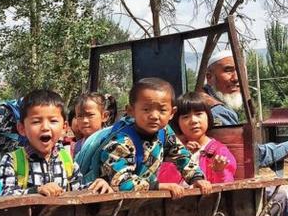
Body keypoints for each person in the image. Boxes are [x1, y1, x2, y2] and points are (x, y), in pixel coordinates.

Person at [79, 77, 212, 197]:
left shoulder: (164, 131)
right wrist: (159, 187)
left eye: (162, 110)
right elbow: (120, 182)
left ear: (172, 113)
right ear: (130, 111)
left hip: (141, 201)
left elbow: (182, 156)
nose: (154, 116)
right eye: (146, 109)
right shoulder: (121, 140)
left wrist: (197, 178)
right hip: (109, 206)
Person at [203, 50, 288, 175]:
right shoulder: (217, 111)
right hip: (222, 188)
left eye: (240, 71)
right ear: (209, 77)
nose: (236, 78)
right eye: (228, 70)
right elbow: (246, 156)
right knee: (283, 194)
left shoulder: (203, 101)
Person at [0, 89, 112, 197]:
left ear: (64, 127)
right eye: (36, 121)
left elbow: (77, 190)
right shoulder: (12, 161)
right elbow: (4, 193)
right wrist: (36, 191)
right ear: (22, 129)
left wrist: (96, 186)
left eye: (53, 121)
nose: (45, 127)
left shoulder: (67, 159)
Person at [158, 92, 236, 184]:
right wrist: (182, 157)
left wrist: (219, 171)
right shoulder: (171, 149)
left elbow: (227, 186)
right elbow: (163, 181)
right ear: (177, 122)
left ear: (208, 116)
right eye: (186, 117)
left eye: (199, 114)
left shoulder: (218, 151)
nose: (193, 121)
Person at [72, 92, 110, 157]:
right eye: (80, 116)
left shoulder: (109, 144)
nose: (84, 121)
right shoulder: (77, 146)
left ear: (104, 116)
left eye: (90, 115)